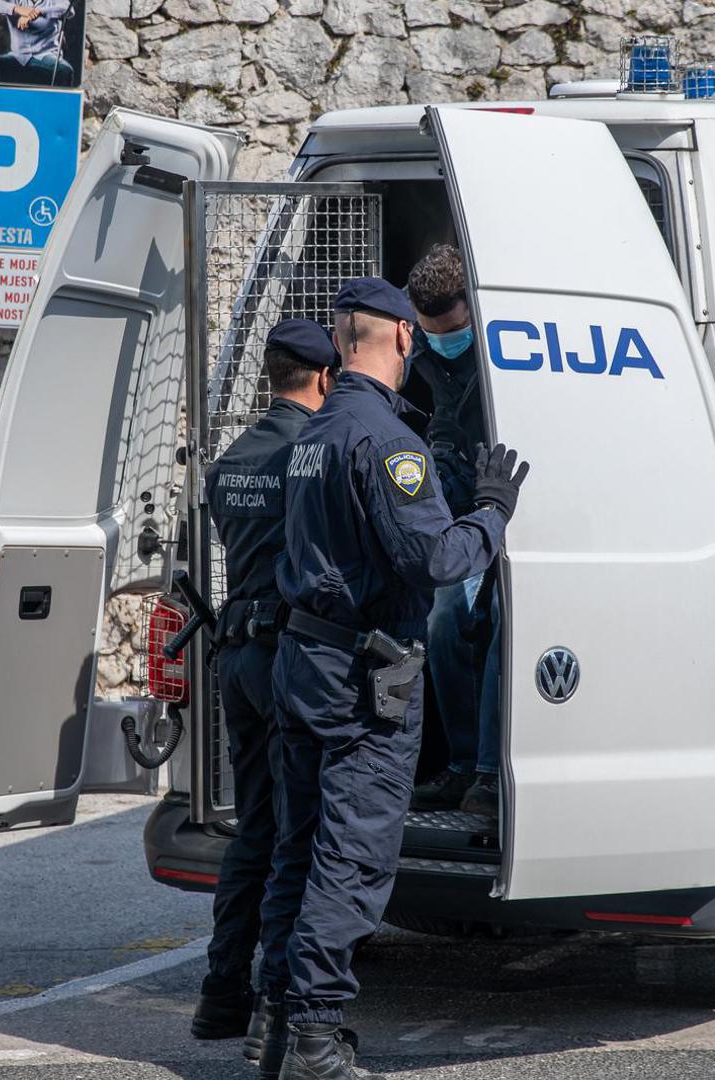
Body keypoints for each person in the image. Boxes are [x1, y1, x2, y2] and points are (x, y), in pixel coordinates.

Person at [257, 278, 530, 1080]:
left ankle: (278, 1025)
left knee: (296, 851)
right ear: (403, 340)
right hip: (359, 678)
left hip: (304, 665)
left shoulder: (315, 430)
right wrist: (490, 510)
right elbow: (435, 559)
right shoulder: (389, 443)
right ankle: (314, 1039)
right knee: (351, 859)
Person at [192, 320, 338, 1054]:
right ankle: (275, 1009)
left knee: (254, 828)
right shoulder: (307, 457)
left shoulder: (232, 461)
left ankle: (222, 992)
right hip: (286, 658)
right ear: (322, 379)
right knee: (296, 836)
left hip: (237, 657)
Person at [403, 244, 503, 818]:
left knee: (495, 627)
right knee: (444, 624)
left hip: (506, 494)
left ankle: (489, 774)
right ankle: (463, 766)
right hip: (456, 502)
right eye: (431, 332)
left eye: (454, 330)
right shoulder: (419, 347)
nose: (443, 341)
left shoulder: (502, 347)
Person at [0, 0, 76, 85]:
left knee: (65, 71)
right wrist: (17, 9)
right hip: (17, 57)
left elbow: (68, 8)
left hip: (45, 56)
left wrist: (38, 12)